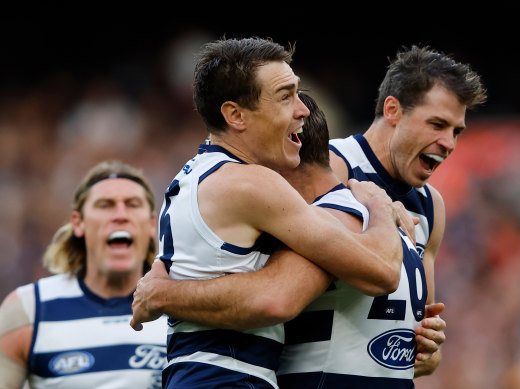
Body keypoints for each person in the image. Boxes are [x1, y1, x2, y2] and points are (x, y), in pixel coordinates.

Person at [145, 37, 412, 389]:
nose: (303, 110)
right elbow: (380, 273)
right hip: (230, 378)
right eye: (285, 96)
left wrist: (163, 295)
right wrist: (378, 203)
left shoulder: (192, 177)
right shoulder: (250, 183)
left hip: (194, 374)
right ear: (235, 115)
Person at [328, 44, 488, 376]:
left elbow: (423, 344)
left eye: (456, 131)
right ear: (392, 110)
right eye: (437, 124)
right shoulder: (332, 166)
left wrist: (430, 346)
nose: (449, 143)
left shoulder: (432, 206)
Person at [0, 160, 167, 388]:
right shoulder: (29, 309)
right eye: (105, 205)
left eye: (132, 204)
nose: (120, 215)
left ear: (151, 224)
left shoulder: (179, 307)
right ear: (78, 223)